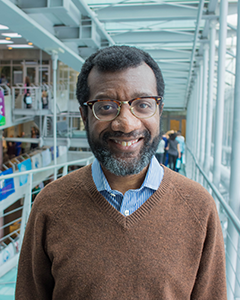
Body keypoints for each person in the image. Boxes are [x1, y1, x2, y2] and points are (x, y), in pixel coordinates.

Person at [16, 46, 227, 299]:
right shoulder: (50, 205)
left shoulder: (198, 207)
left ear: (159, 111)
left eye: (143, 105)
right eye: (105, 106)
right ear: (85, 115)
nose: (126, 123)